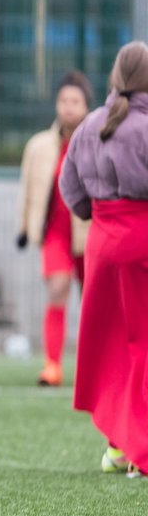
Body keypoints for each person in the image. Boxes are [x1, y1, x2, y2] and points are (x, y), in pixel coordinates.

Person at [59, 41, 148, 477]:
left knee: (113, 344)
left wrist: (94, 215)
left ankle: (118, 445)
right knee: (143, 345)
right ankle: (139, 448)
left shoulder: (90, 124)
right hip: (141, 239)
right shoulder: (145, 127)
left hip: (102, 240)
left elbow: (69, 185)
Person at [16, 71, 93, 386]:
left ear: (87, 106)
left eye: (75, 101)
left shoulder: (98, 141)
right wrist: (24, 227)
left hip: (90, 233)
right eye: (63, 100)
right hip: (56, 233)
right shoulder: (39, 146)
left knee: (92, 303)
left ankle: (92, 369)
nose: (68, 107)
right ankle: (52, 365)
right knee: (58, 289)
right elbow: (28, 190)